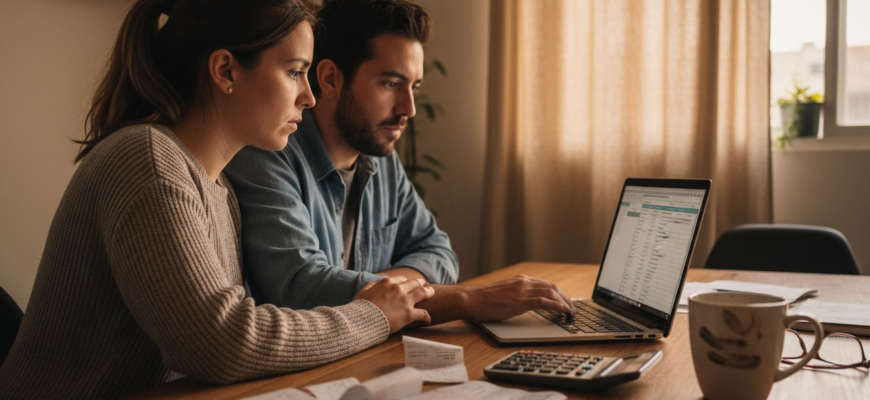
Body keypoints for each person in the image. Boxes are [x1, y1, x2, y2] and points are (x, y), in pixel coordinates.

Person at [0, 0, 434, 398]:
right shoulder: (147, 161)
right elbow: (223, 343)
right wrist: (373, 314)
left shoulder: (218, 188)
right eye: (294, 71)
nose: (309, 95)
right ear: (226, 71)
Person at [224, 0, 575, 324]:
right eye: (391, 83)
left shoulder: (379, 159)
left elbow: (437, 250)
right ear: (330, 78)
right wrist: (466, 299)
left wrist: (388, 292)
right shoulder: (266, 154)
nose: (409, 109)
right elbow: (301, 285)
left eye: (414, 87)